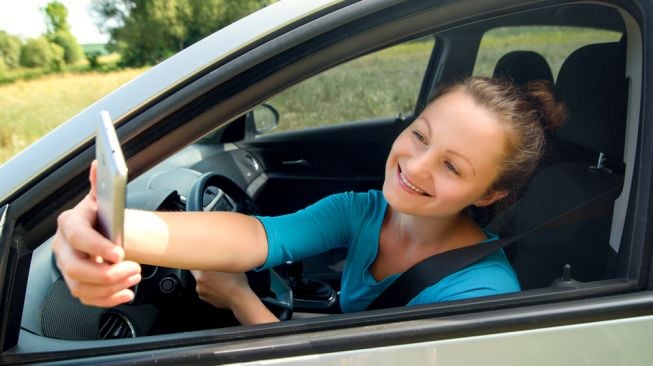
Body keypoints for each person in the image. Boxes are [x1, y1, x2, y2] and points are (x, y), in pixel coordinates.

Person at [53, 76, 566, 325]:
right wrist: (111, 224)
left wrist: (240, 300)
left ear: (492, 193)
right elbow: (260, 236)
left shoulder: (480, 295)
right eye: (420, 135)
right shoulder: (364, 210)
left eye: (453, 167)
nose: (416, 165)